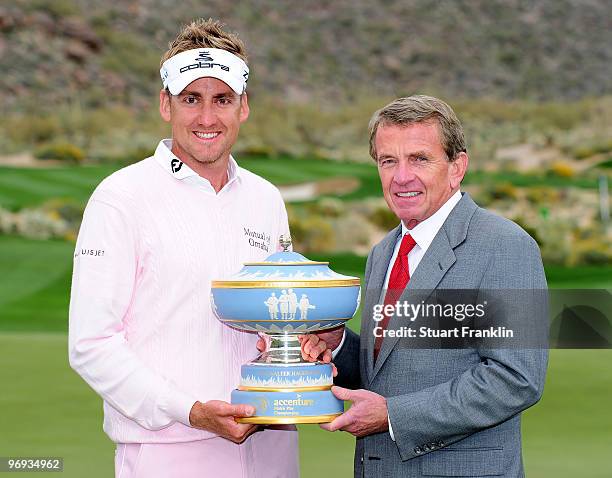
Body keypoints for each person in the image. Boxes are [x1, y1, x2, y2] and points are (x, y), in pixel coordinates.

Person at [68, 19, 298, 478]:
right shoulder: (121, 197)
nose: (207, 118)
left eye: (222, 99)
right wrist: (192, 410)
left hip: (272, 445)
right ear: (165, 104)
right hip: (169, 451)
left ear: (243, 106)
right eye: (191, 99)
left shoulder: (265, 198)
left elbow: (280, 317)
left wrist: (307, 344)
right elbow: (91, 345)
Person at [301, 95, 548, 477]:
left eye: (419, 158)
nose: (401, 176)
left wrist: (393, 416)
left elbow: (515, 378)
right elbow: (385, 368)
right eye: (388, 161)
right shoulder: (383, 253)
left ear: (457, 166)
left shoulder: (505, 247)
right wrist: (340, 347)